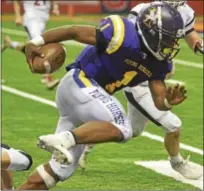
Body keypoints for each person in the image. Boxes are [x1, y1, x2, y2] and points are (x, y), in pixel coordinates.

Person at [18, 3, 188, 190]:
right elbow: (73, 31)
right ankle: (66, 139)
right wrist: (35, 42)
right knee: (123, 127)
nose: (172, 45)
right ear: (152, 31)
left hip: (89, 102)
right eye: (169, 39)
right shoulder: (122, 33)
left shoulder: (159, 63)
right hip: (80, 82)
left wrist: (167, 101)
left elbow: (158, 100)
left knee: (59, 171)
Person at [79, 0, 204, 177]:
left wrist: (200, 45)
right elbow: (131, 42)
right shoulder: (146, 10)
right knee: (173, 125)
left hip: (154, 77)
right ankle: (177, 163)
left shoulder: (185, 12)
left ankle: (87, 137)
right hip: (139, 79)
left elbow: (192, 37)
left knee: (132, 130)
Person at [1, 0, 60, 89]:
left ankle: (11, 44)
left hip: (43, 19)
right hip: (31, 18)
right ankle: (48, 78)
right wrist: (18, 16)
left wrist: (55, 7)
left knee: (30, 48)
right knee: (39, 47)